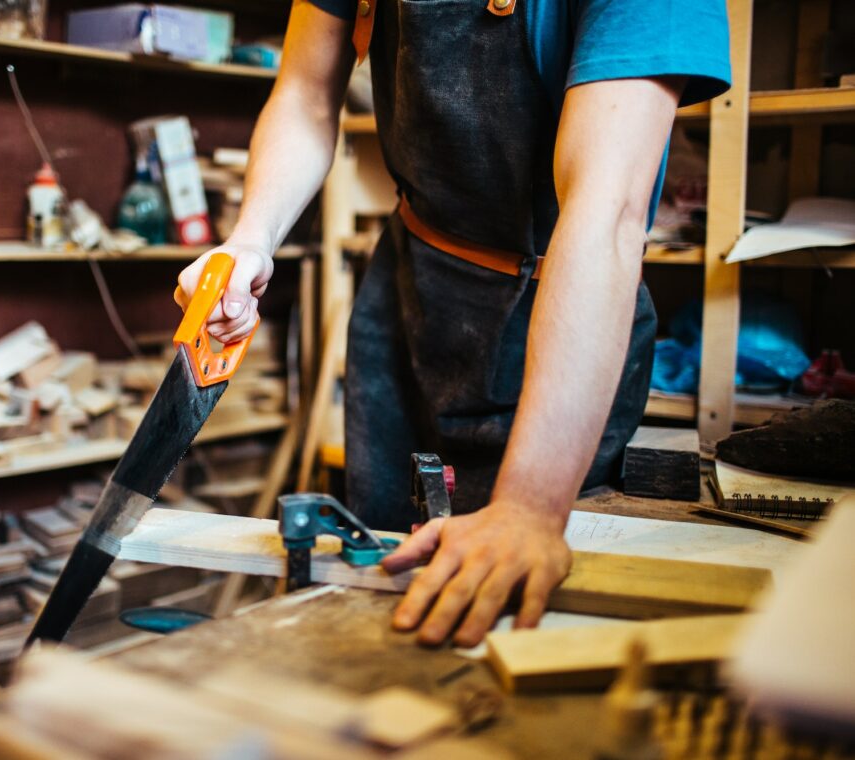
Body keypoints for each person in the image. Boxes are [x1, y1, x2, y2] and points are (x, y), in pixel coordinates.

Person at [178, 0, 730, 647]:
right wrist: (251, 237)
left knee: (515, 626)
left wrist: (529, 507)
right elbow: (305, 91)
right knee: (373, 598)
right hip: (408, 294)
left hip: (565, 313)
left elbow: (605, 212)